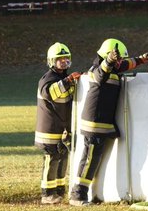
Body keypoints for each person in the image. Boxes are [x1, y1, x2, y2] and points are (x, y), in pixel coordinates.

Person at [69, 38, 148, 206]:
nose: (120, 62)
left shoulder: (115, 67)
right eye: (118, 58)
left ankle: (81, 194)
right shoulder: (97, 70)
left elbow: (126, 64)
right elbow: (102, 72)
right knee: (89, 160)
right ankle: (77, 195)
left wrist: (142, 59)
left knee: (92, 160)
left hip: (102, 125)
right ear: (108, 56)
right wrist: (109, 61)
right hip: (94, 125)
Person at [35, 42, 81, 205]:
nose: (64, 62)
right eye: (59, 59)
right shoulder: (48, 79)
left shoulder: (63, 78)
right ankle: (47, 194)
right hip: (49, 129)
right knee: (52, 158)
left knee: (63, 157)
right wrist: (68, 80)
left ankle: (59, 190)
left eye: (66, 59)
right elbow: (49, 92)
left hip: (61, 129)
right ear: (51, 61)